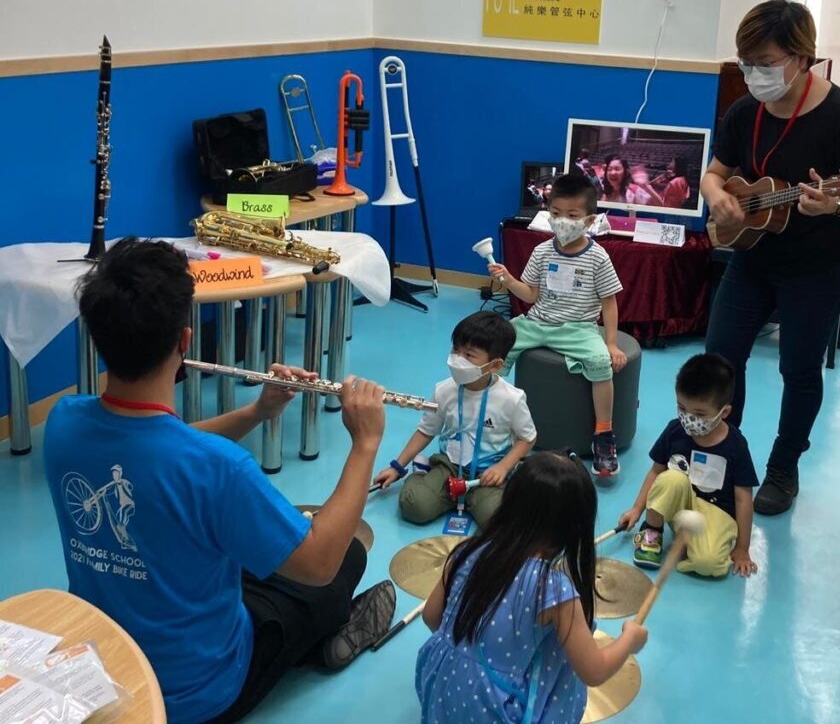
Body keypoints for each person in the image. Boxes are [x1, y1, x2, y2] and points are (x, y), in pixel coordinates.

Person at [45, 238, 396, 724]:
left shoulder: (64, 422)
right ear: (186, 342)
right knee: (345, 558)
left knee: (248, 539)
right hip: (197, 695)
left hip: (104, 663)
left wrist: (259, 410)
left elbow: (160, 444)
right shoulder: (220, 468)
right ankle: (319, 644)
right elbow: (318, 563)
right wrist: (365, 444)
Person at [700, 0, 840, 515]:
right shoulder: (743, 111)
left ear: (803, 57)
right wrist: (721, 200)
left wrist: (833, 204)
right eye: (746, 62)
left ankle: (783, 467)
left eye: (766, 62)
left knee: (799, 369)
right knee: (721, 357)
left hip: (818, 266)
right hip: (753, 257)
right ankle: (723, 459)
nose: (755, 74)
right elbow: (714, 173)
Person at [416, 451, 648, 723]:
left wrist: (470, 655)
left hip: (437, 687)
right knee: (560, 660)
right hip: (491, 709)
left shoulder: (466, 552)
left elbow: (431, 617)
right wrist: (628, 641)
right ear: (572, 529)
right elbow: (593, 671)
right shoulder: (551, 588)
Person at [488, 174, 626, 477]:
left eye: (572, 215)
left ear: (589, 221)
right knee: (497, 346)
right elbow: (530, 294)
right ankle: (491, 418)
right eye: (555, 214)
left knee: (601, 362)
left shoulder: (598, 258)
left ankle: (604, 434)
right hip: (537, 322)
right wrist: (508, 280)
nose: (562, 221)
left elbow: (609, 302)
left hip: (578, 328)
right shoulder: (541, 251)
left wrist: (611, 343)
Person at [372, 311, 536, 530]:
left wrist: (503, 467)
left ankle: (477, 498)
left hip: (487, 471)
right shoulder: (444, 390)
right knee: (414, 506)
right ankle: (422, 470)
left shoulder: (512, 399)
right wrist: (396, 467)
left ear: (495, 366)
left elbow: (528, 438)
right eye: (455, 350)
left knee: (498, 523)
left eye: (469, 355)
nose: (458, 359)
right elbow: (426, 431)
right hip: (449, 466)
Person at [618, 354, 759, 577]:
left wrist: (742, 548)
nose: (688, 418)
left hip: (717, 515)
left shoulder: (736, 446)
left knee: (710, 564)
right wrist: (637, 509)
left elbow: (743, 498)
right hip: (680, 505)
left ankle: (696, 546)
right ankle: (651, 534)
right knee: (670, 477)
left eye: (700, 414)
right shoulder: (675, 431)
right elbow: (656, 472)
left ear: (724, 412)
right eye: (682, 408)